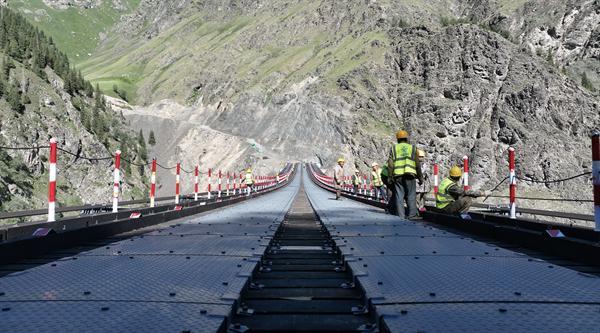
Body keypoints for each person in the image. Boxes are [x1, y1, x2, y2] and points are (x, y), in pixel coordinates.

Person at [387, 130, 422, 219]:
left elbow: (390, 164)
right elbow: (417, 164)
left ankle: (400, 216)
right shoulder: (413, 148)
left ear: (397, 139)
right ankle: (412, 215)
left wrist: (390, 177)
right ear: (406, 138)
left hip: (398, 176)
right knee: (411, 195)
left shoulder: (394, 148)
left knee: (399, 196)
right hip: (410, 175)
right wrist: (420, 177)